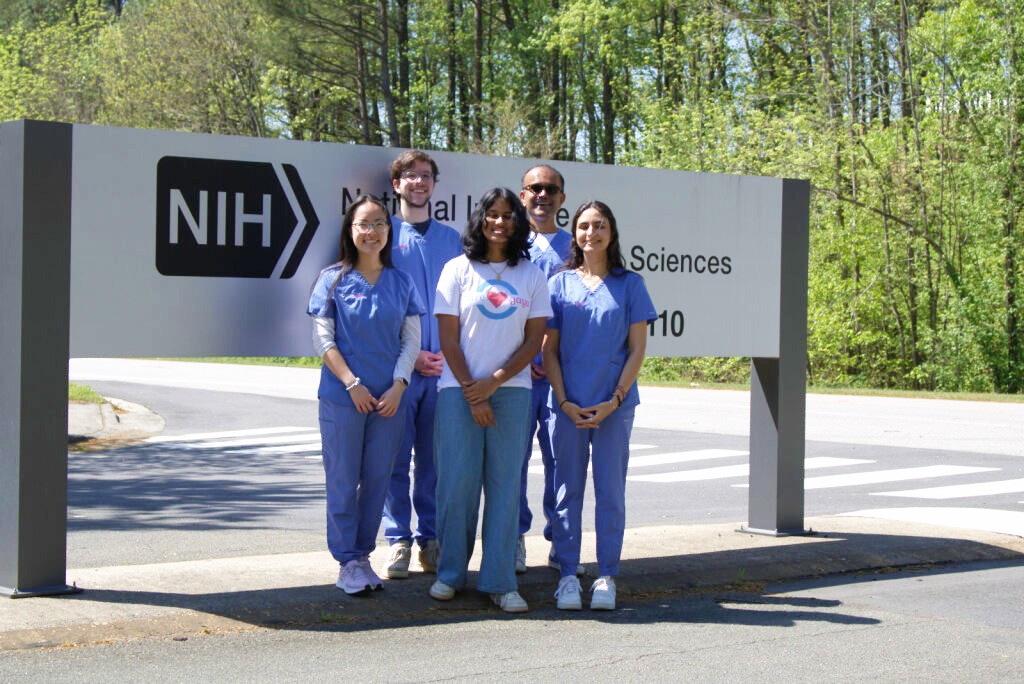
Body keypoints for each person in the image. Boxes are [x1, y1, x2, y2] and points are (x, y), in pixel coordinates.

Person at [429, 188, 551, 613]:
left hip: (512, 393)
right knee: (457, 486)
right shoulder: (456, 270)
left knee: (505, 488)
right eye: (492, 215)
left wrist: (495, 383)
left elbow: (535, 338)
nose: (500, 223)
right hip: (457, 392)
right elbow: (447, 337)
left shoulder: (532, 275)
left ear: (519, 223)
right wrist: (473, 391)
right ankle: (450, 575)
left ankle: (499, 581)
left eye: (508, 216)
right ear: (480, 220)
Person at [542, 201, 657, 611]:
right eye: (585, 226)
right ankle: (569, 575)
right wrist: (563, 400)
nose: (592, 233)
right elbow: (549, 351)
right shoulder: (559, 284)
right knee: (565, 492)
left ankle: (606, 575)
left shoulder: (631, 285)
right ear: (574, 234)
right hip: (567, 407)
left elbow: (637, 349)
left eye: (600, 225)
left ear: (612, 233)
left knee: (610, 493)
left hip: (614, 407)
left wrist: (615, 400)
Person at [307, 194, 424, 595]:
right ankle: (346, 562)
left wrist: (399, 385)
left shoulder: (402, 282)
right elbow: (323, 339)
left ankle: (362, 556)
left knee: (378, 479)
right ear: (350, 230)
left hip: (389, 399)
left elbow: (411, 341)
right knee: (342, 479)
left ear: (389, 232)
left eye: (378, 224)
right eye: (363, 224)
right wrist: (352, 384)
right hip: (344, 397)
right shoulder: (332, 279)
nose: (371, 231)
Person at [382, 150, 463, 580]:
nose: (418, 183)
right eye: (409, 176)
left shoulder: (452, 240)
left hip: (444, 369)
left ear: (434, 184)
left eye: (425, 176)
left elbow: (467, 303)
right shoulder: (382, 235)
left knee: (435, 460)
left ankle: (430, 538)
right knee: (394, 459)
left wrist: (447, 355)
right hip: (400, 370)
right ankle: (397, 539)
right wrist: (411, 359)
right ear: (396, 184)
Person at [514, 165, 576, 575]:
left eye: (550, 189)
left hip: (559, 377)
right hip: (517, 375)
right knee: (512, 462)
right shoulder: (508, 247)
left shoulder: (578, 247)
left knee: (561, 463)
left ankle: (561, 542)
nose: (542, 195)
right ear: (523, 196)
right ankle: (513, 539)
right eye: (535, 188)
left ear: (561, 198)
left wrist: (548, 359)